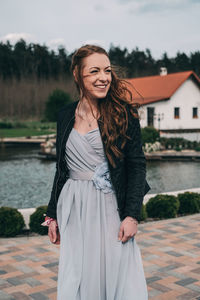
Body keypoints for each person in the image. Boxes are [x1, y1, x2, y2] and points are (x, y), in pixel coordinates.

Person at [42, 44, 151, 300]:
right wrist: (51, 216)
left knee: (117, 270)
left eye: (107, 71)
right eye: (94, 71)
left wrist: (132, 216)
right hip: (74, 207)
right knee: (78, 273)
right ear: (78, 75)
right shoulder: (65, 115)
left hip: (110, 206)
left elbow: (137, 166)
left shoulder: (124, 113)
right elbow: (61, 170)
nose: (103, 78)